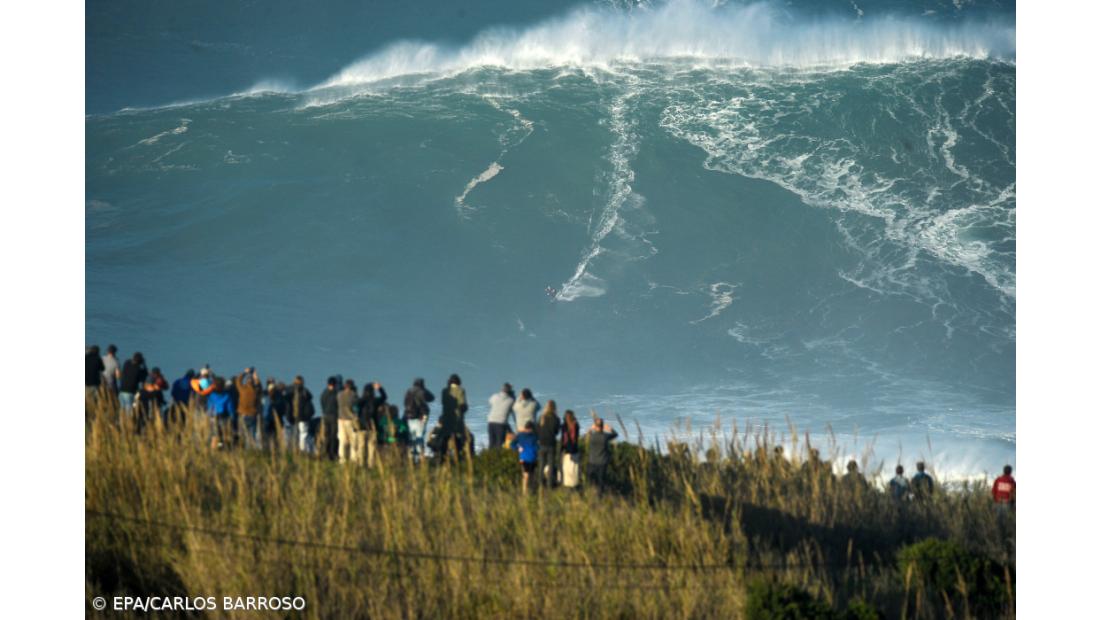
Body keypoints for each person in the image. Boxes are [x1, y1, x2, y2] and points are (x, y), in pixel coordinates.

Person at [403, 378, 434, 463]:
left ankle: (411, 458)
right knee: (419, 438)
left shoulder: (408, 391)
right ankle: (419, 459)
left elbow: (405, 403)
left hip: (409, 418)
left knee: (412, 438)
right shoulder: (421, 391)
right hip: (418, 418)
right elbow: (431, 398)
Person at [439, 374, 469, 460]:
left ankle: (442, 458)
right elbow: (463, 405)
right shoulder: (461, 390)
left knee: (445, 438)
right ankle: (458, 458)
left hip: (446, 418)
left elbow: (444, 403)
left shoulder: (444, 391)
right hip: (457, 419)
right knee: (458, 439)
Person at [586, 418, 618, 493]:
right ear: (602, 426)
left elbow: (588, 433)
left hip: (592, 461)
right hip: (602, 462)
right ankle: (600, 497)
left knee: (591, 480)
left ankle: (590, 493)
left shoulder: (592, 436)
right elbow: (615, 434)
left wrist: (591, 428)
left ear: (595, 426)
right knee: (601, 482)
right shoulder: (605, 436)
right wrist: (610, 428)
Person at [536, 400, 562, 487]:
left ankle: (540, 484)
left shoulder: (541, 418)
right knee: (551, 465)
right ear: (555, 408)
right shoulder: (556, 419)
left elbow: (537, 430)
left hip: (542, 443)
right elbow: (557, 432)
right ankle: (549, 485)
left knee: (541, 465)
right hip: (551, 444)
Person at [205, 377, 236, 449]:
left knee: (214, 434)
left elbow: (209, 406)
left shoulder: (211, 395)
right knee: (222, 435)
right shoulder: (226, 395)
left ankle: (214, 449)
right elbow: (230, 408)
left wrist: (208, 415)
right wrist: (232, 417)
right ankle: (220, 447)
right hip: (223, 416)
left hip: (213, 416)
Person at [235, 368, 262, 448]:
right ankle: (251, 449)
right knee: (252, 434)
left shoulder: (242, 389)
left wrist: (245, 373)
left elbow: (238, 381)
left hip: (243, 414)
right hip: (253, 415)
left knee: (244, 434)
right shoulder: (256, 391)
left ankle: (245, 449)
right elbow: (259, 386)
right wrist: (256, 377)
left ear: (246, 382)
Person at [337, 379, 363, 464]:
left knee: (342, 440)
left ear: (345, 386)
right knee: (353, 440)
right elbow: (357, 405)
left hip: (340, 420)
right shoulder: (354, 395)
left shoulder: (339, 395)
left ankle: (342, 459)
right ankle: (353, 459)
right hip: (350, 420)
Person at [118, 352, 148, 419]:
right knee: (129, 411)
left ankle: (120, 424)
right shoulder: (139, 369)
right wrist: (144, 364)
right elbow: (144, 377)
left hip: (121, 391)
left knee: (122, 410)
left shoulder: (127, 363)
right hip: (130, 393)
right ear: (140, 361)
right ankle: (128, 425)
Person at [288, 376, 315, 453]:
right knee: (303, 434)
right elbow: (310, 397)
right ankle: (302, 450)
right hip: (303, 417)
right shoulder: (305, 391)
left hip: (293, 417)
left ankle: (294, 449)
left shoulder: (290, 390)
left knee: (294, 434)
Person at [512, 421, 539, 495]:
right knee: (528, 476)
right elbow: (512, 444)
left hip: (529, 458)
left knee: (529, 476)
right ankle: (527, 492)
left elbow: (513, 444)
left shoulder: (522, 435)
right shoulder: (529, 436)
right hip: (528, 458)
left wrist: (518, 448)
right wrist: (518, 448)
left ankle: (528, 492)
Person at [487, 383, 516, 449]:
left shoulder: (494, 396)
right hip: (501, 423)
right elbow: (514, 411)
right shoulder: (511, 400)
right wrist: (513, 397)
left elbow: (490, 402)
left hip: (491, 421)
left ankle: (489, 456)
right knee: (499, 443)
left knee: (491, 442)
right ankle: (498, 457)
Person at [320, 377, 340, 460]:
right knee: (333, 435)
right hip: (334, 416)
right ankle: (332, 454)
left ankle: (325, 453)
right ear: (335, 384)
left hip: (325, 415)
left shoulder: (324, 393)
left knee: (326, 435)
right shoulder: (336, 393)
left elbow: (322, 403)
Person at [560, 410, 581, 489]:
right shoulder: (575, 425)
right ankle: (574, 485)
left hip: (566, 450)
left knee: (566, 468)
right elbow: (576, 438)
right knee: (574, 469)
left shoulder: (564, 426)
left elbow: (563, 439)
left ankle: (567, 485)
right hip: (574, 449)